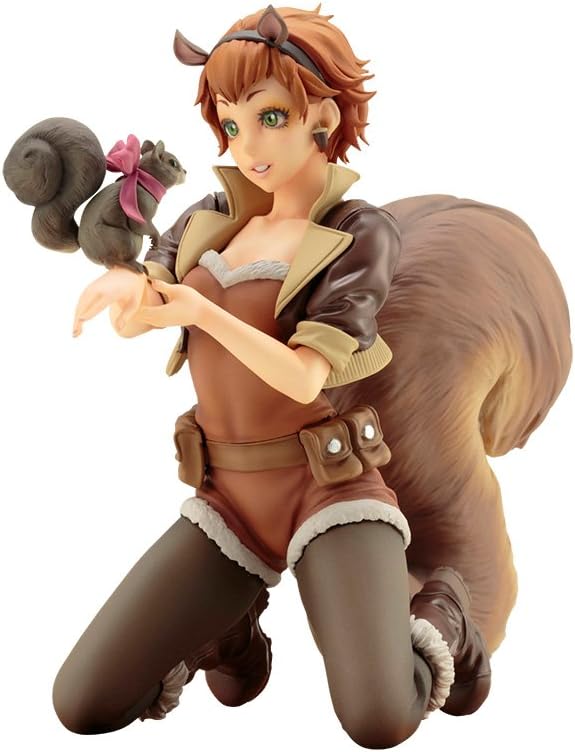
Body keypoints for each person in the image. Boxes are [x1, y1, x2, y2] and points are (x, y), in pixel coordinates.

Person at [39, 5, 570, 749]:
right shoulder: (208, 218)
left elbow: (303, 376)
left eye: (269, 118)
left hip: (327, 490)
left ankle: (446, 605)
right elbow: (149, 302)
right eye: (230, 123)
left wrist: (203, 310)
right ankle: (230, 632)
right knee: (84, 701)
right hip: (229, 497)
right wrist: (128, 286)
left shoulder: (356, 233)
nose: (246, 145)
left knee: (379, 717)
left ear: (322, 116)